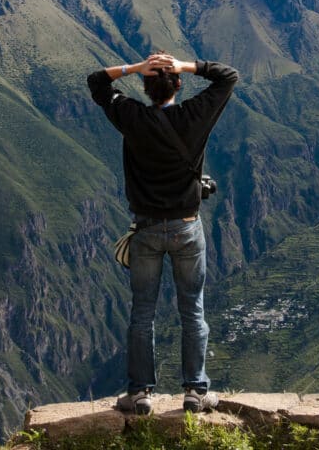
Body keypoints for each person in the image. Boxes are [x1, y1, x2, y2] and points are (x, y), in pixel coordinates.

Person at [87, 52, 238, 415]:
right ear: (178, 86)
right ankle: (195, 392)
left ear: (145, 87)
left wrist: (135, 68)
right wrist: (185, 65)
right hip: (187, 228)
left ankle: (139, 394)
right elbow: (227, 76)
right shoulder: (194, 116)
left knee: (143, 311)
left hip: (147, 229)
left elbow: (97, 82)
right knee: (193, 309)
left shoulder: (132, 117)